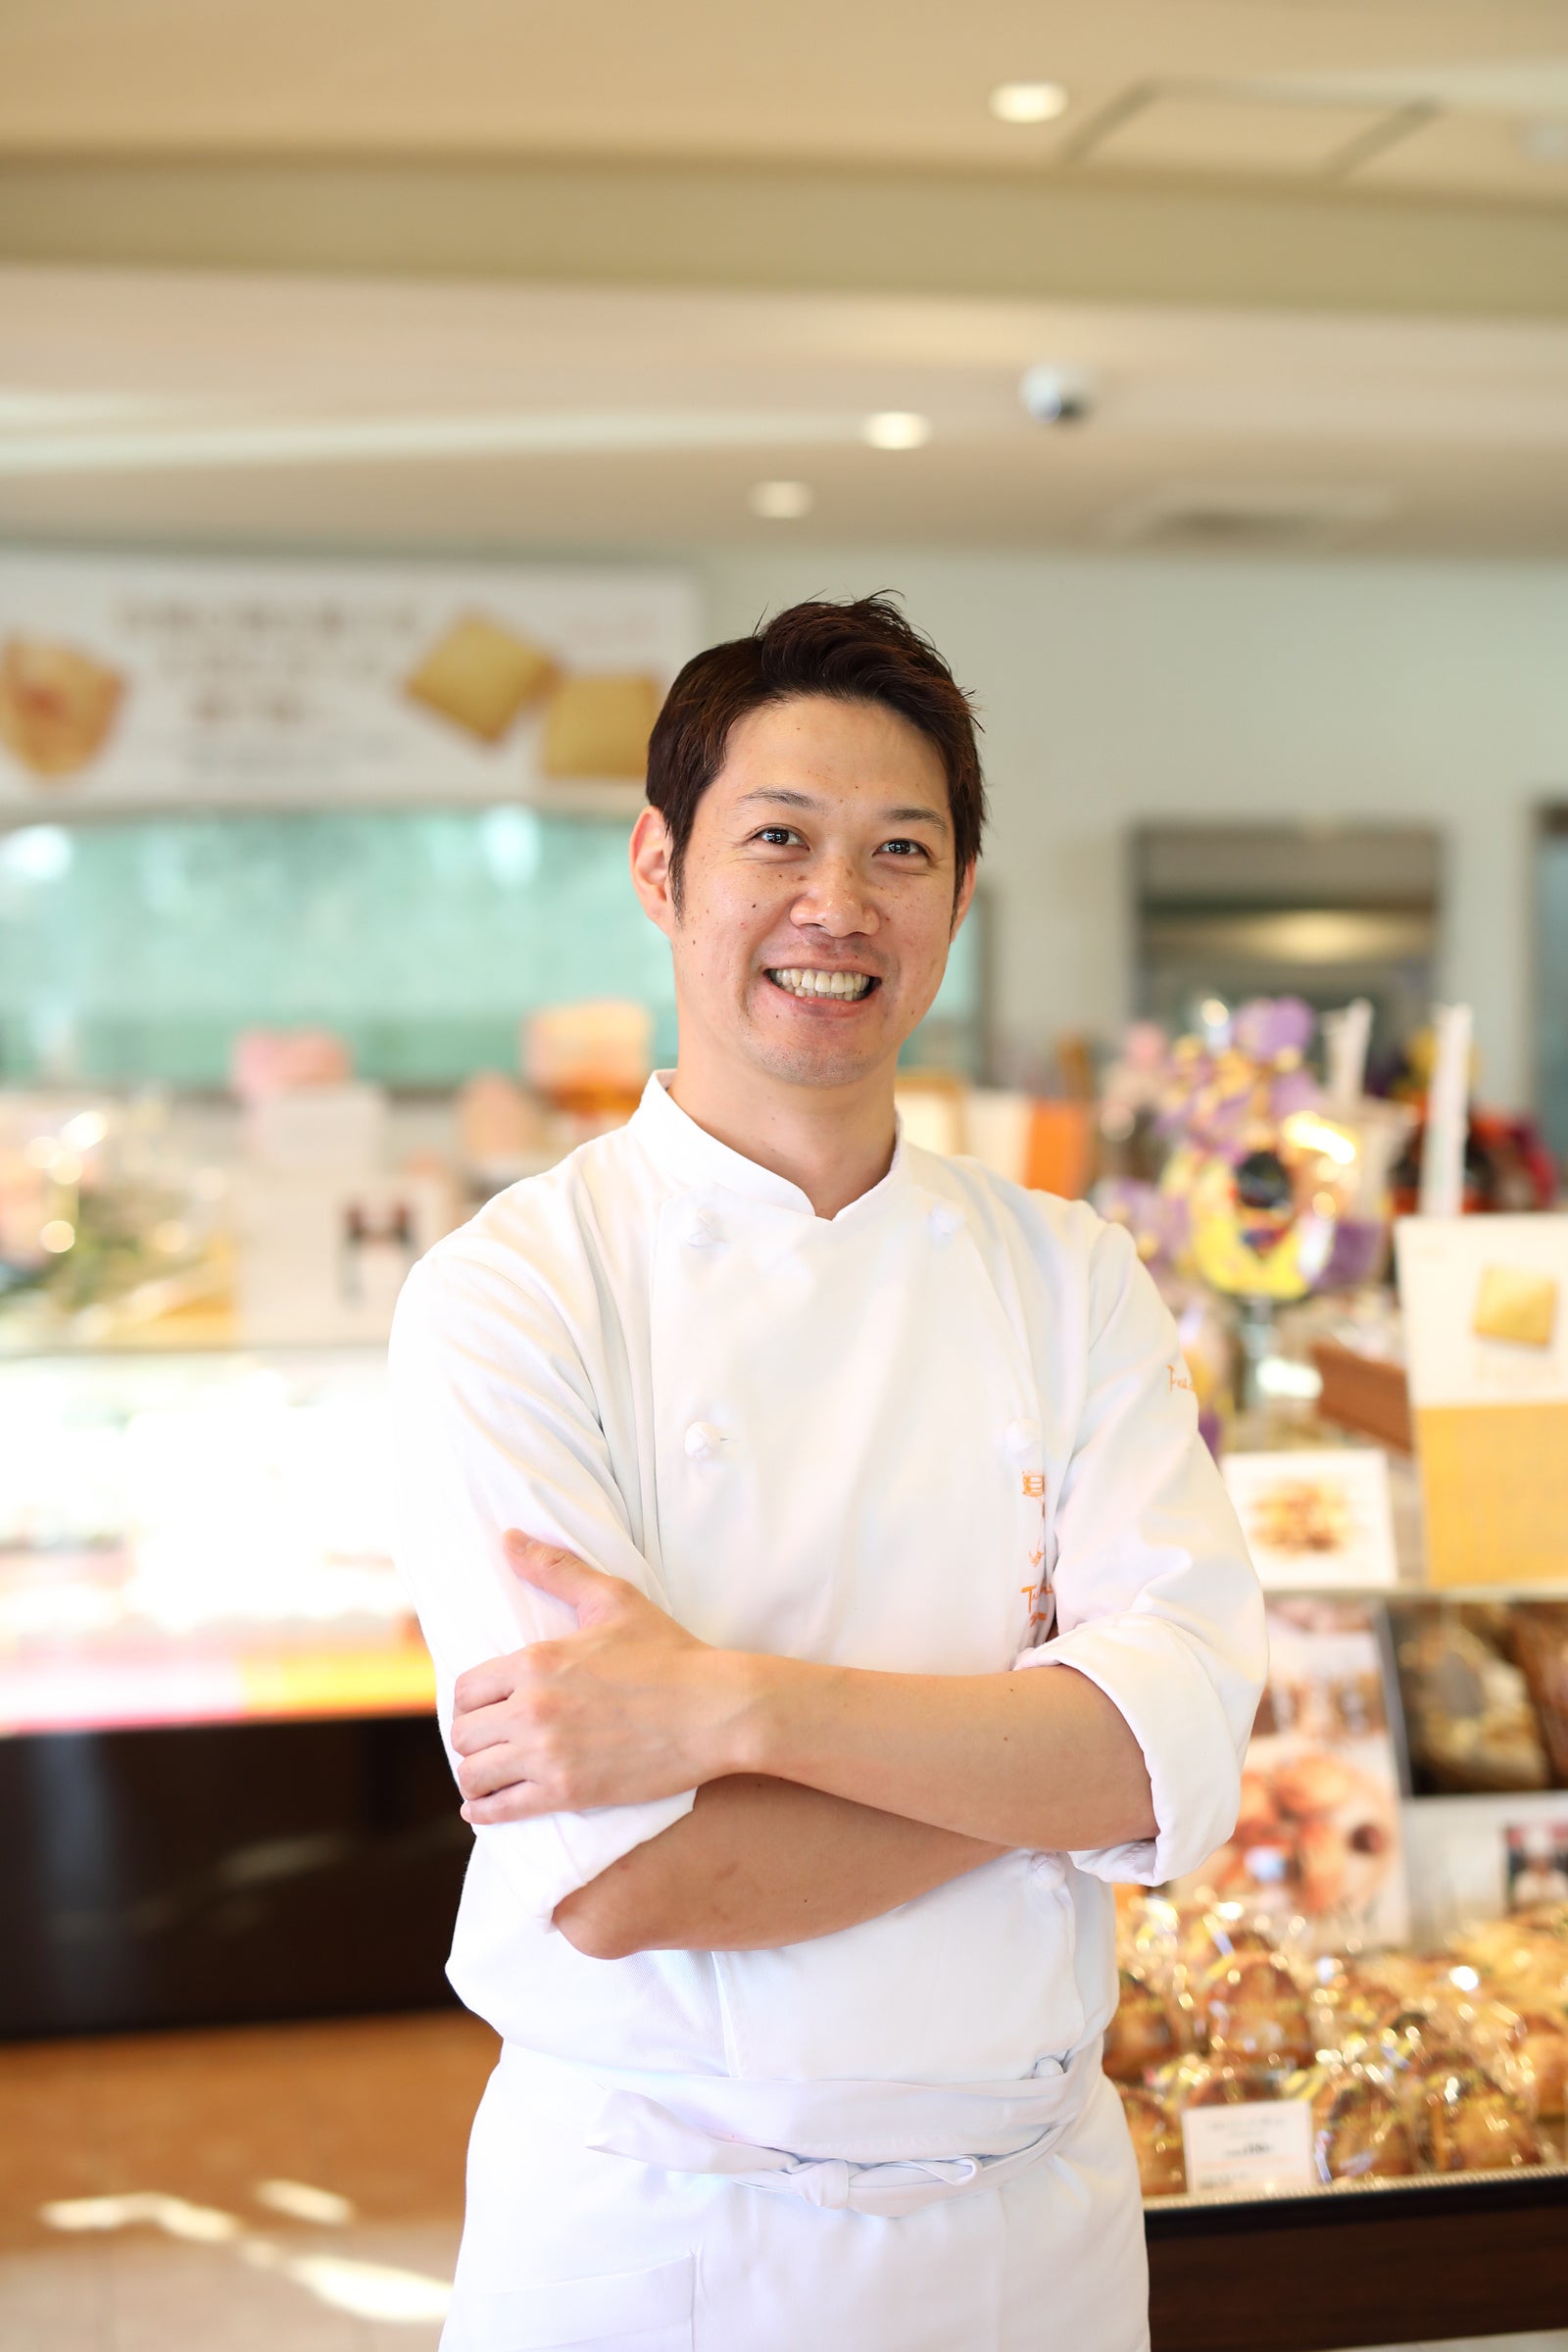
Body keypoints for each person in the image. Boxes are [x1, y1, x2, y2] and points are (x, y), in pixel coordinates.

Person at [388, 596, 1266, 2352]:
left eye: (900, 851)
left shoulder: (1070, 1272)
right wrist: (1039, 1767)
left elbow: (1172, 1746)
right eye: (778, 838)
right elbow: (636, 1883)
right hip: (670, 2230)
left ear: (957, 897)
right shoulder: (517, 1293)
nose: (837, 904)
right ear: (662, 868)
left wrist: (735, 1711)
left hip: (1037, 2226)